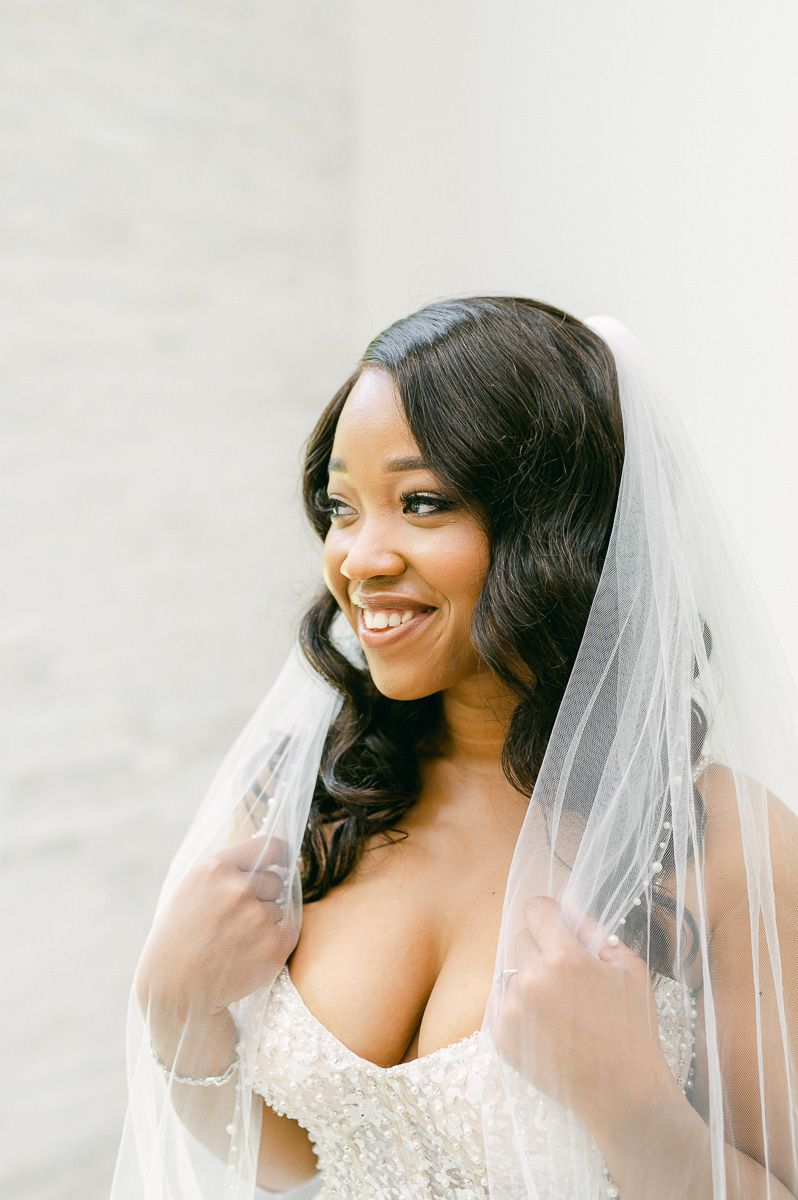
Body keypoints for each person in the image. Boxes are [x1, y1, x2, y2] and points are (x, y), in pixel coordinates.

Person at [113, 297, 798, 1199]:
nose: (358, 557)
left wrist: (633, 1108)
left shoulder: (719, 842)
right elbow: (298, 1161)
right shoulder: (310, 801)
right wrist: (180, 1016)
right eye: (341, 508)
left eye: (421, 502)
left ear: (556, 525)